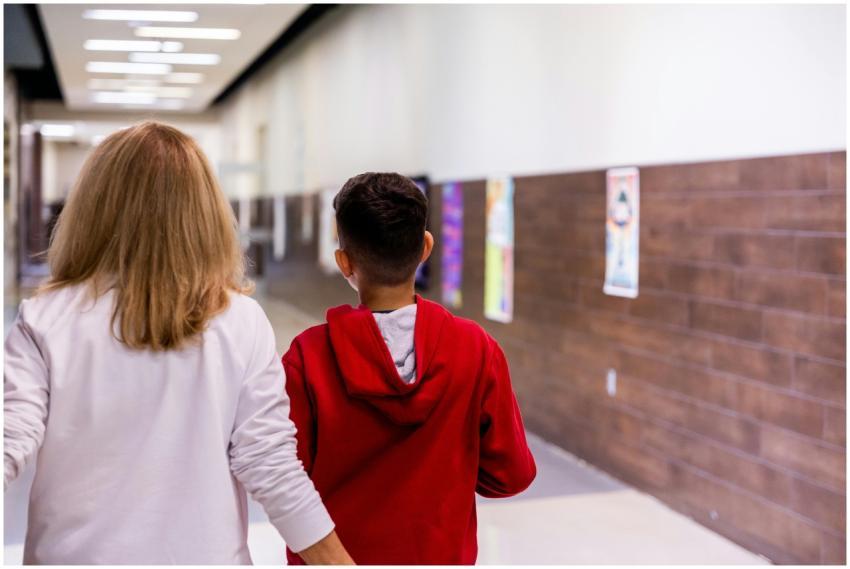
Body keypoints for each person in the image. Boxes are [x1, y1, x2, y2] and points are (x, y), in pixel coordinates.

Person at [3, 122, 353, 565]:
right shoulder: (240, 321)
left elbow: (8, 439)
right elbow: (271, 465)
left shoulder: (46, 319)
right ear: (204, 211)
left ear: (91, 207)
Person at [282, 172, 537, 564]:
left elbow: (286, 479)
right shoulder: (475, 349)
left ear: (344, 261)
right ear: (426, 247)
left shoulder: (307, 358)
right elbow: (512, 474)